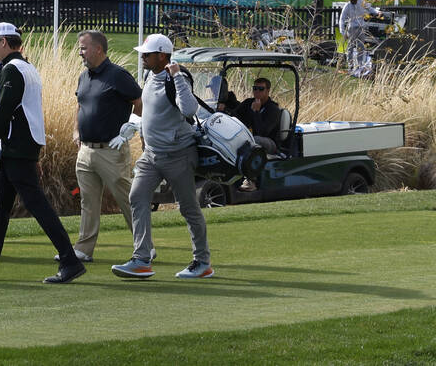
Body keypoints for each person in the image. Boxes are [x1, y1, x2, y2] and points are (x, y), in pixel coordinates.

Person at [0, 23, 85, 285]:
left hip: (16, 147)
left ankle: (70, 260)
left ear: (4, 41)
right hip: (20, 146)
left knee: (35, 205)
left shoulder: (11, 69)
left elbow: (4, 111)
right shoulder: (27, 67)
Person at [112, 33, 214, 281]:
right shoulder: (149, 75)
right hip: (152, 154)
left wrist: (177, 75)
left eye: (147, 54)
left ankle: (202, 262)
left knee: (188, 208)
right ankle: (142, 259)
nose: (143, 58)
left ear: (162, 55)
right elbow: (149, 110)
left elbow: (189, 109)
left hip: (178, 154)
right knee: (137, 197)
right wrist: (133, 125)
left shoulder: (176, 78)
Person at [68, 29, 143, 264]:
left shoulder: (118, 75)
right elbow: (80, 105)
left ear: (98, 49)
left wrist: (131, 129)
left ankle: (144, 246)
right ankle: (83, 249)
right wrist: (76, 131)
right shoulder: (84, 76)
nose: (80, 52)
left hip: (111, 151)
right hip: (87, 150)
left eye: (83, 48)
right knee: (88, 203)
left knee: (127, 199)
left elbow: (140, 103)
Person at [234, 77, 283, 153]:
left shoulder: (273, 109)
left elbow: (262, 132)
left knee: (255, 140)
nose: (257, 91)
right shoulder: (248, 102)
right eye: (255, 88)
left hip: (270, 142)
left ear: (267, 91)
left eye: (261, 89)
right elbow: (235, 114)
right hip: (249, 135)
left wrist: (256, 112)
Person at [340, 0, 381, 70]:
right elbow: (342, 19)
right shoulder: (347, 6)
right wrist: (342, 31)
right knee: (351, 46)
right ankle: (350, 64)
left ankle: (360, 64)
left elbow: (370, 8)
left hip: (361, 27)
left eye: (355, 0)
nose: (354, 2)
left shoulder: (361, 2)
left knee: (361, 46)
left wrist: (377, 12)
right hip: (352, 28)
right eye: (352, 0)